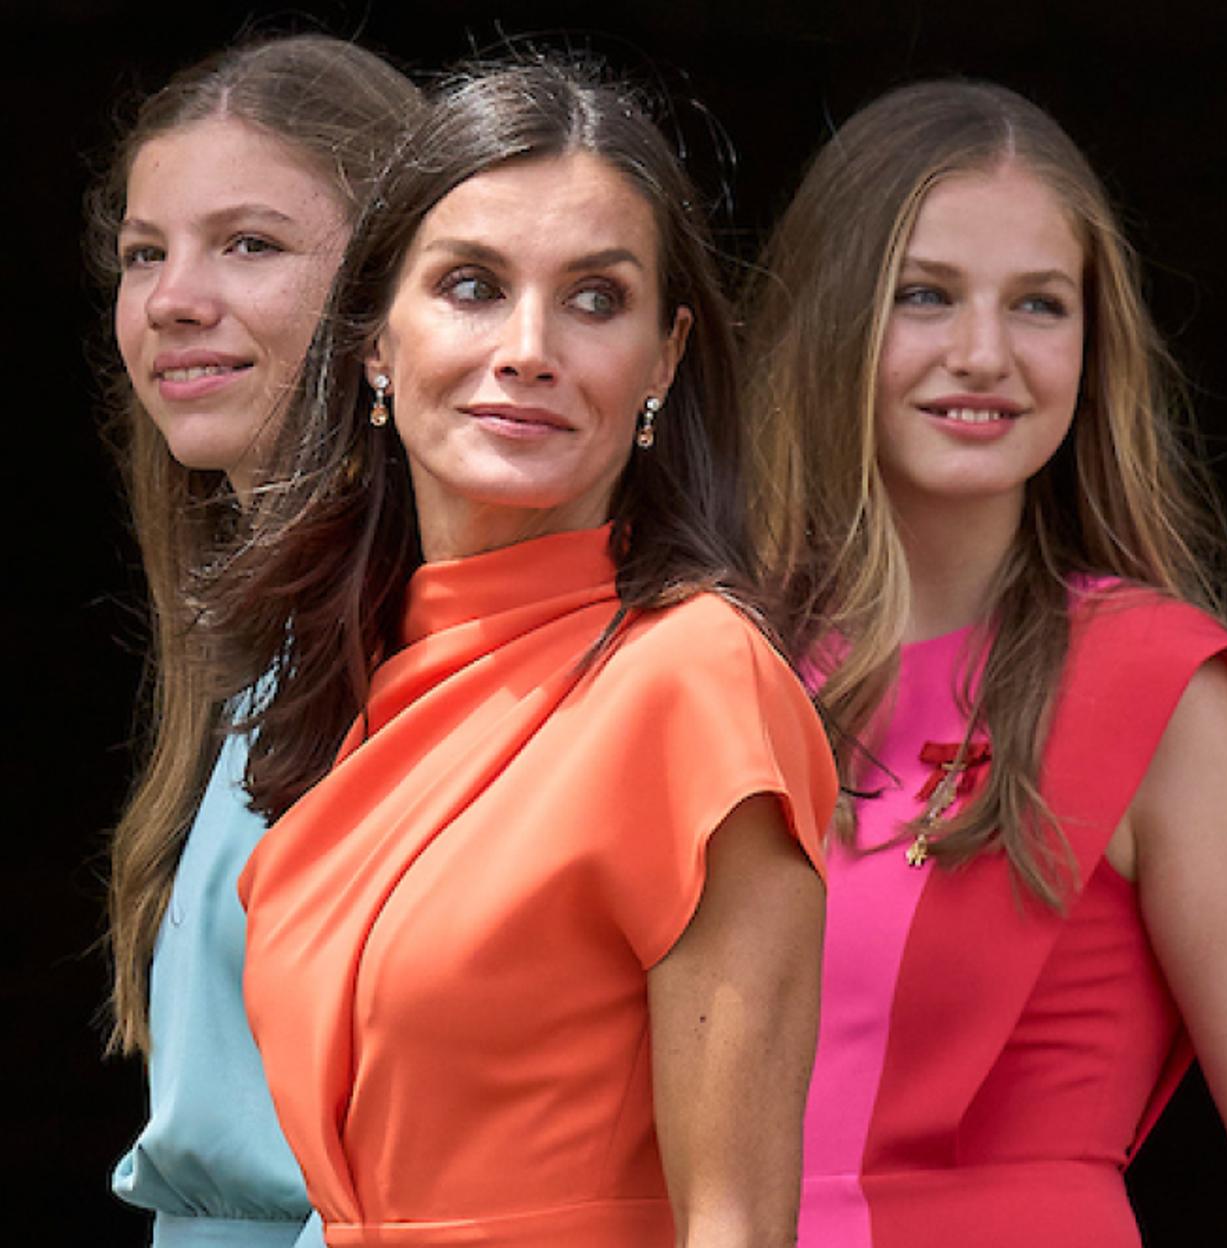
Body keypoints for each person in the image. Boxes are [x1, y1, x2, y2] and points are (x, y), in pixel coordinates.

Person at [202, 58, 838, 1248]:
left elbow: (737, 1226)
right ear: (373, 338)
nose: (529, 347)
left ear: (663, 359)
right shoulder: (357, 681)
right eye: (472, 287)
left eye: (596, 299)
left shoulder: (695, 682)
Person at [744, 80, 1227, 1247]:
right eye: (924, 295)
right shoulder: (715, 663)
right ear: (832, 319)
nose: (984, 355)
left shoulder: (1163, 690)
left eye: (1039, 306)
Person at [86, 33, 422, 1247]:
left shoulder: (424, 645)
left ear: (398, 289)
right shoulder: (266, 643)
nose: (173, 297)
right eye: (145, 252)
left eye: (249, 244)